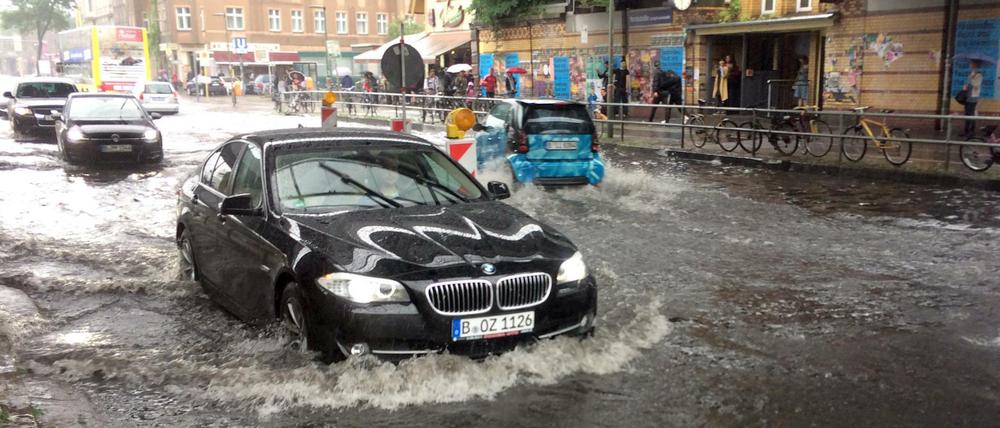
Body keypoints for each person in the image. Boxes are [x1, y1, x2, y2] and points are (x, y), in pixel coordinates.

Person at [963, 59, 983, 138]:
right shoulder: (970, 74)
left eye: (972, 64)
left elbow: (976, 85)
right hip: (967, 97)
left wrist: (971, 79)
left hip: (973, 97)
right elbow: (967, 84)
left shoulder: (979, 75)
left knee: (971, 115)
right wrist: (965, 86)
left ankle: (971, 131)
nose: (971, 65)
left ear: (976, 65)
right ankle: (966, 131)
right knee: (967, 114)